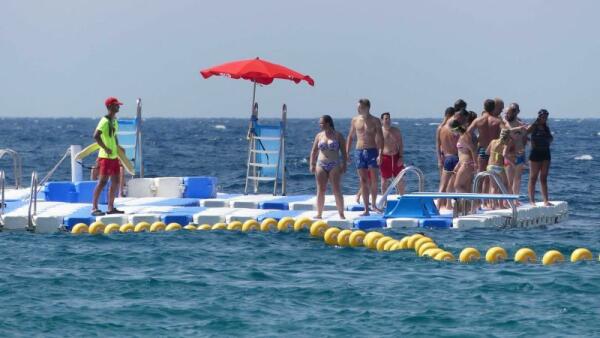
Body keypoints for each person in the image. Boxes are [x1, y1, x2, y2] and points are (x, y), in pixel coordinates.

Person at [347, 98, 383, 215]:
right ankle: (366, 209)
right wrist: (347, 152)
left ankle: (374, 205)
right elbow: (351, 136)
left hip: (372, 150)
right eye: (358, 107)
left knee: (374, 179)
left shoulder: (375, 121)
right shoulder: (355, 120)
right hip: (359, 151)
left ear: (367, 108)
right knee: (363, 180)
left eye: (360, 107)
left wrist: (381, 153)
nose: (358, 109)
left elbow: (380, 138)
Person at [91, 97, 125, 216]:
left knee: (115, 181)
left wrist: (118, 146)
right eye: (116, 105)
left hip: (114, 156)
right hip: (105, 157)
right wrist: (105, 148)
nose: (118, 107)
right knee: (102, 182)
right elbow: (96, 136)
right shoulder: (104, 121)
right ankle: (94, 207)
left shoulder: (114, 120)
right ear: (110, 106)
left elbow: (113, 135)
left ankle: (111, 208)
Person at [310, 115, 347, 219]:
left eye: (321, 123)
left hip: (334, 164)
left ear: (328, 123)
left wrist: (344, 165)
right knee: (320, 189)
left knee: (336, 189)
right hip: (321, 164)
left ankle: (341, 213)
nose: (320, 125)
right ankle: (319, 213)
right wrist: (312, 164)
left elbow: (344, 152)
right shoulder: (319, 136)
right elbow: (314, 151)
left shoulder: (338, 136)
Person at [527, 109, 553, 206]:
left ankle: (546, 200)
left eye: (546, 117)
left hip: (546, 153)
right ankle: (532, 201)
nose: (544, 118)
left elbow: (550, 138)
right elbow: (524, 134)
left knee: (543, 178)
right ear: (539, 116)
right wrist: (530, 142)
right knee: (533, 177)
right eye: (543, 116)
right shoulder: (533, 126)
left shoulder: (546, 127)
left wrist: (549, 140)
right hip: (535, 153)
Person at [503, 103, 528, 201]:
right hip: (509, 155)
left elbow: (524, 138)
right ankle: (508, 201)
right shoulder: (505, 123)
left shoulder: (520, 123)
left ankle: (515, 200)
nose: (509, 114)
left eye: (513, 111)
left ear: (517, 112)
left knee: (517, 179)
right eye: (508, 112)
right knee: (509, 180)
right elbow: (505, 133)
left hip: (520, 153)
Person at [485, 129, 513, 208]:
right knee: (503, 185)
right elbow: (505, 154)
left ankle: (492, 205)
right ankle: (501, 205)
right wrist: (512, 164)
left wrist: (493, 152)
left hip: (490, 166)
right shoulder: (506, 144)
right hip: (499, 166)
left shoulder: (493, 141)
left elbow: (487, 152)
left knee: (493, 186)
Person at [379, 112, 405, 195]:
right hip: (385, 158)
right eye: (386, 119)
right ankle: (384, 201)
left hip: (396, 157)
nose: (388, 120)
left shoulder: (396, 131)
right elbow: (377, 146)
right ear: (382, 120)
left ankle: (402, 199)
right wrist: (378, 157)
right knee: (384, 180)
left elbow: (400, 144)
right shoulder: (379, 132)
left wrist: (401, 157)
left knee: (400, 179)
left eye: (389, 118)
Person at [436, 107, 455, 177]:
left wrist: (439, 159)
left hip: (443, 155)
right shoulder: (448, 126)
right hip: (447, 155)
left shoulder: (440, 127)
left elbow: (437, 144)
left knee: (444, 179)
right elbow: (438, 144)